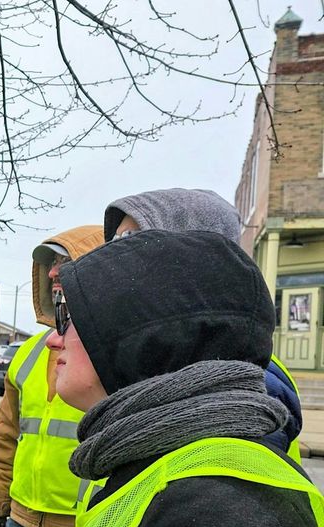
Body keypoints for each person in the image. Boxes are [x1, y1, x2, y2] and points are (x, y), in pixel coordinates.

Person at [43, 230, 323, 527]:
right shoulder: (170, 469)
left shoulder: (217, 516)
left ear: (143, 336)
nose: (52, 339)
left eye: (69, 318)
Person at [103, 188, 304, 459]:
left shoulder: (239, 394)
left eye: (130, 238)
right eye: (113, 241)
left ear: (196, 255)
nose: (110, 255)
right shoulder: (161, 361)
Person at [0, 225, 104, 527]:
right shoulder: (30, 353)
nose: (51, 273)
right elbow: (5, 441)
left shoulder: (116, 354)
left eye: (64, 263)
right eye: (50, 264)